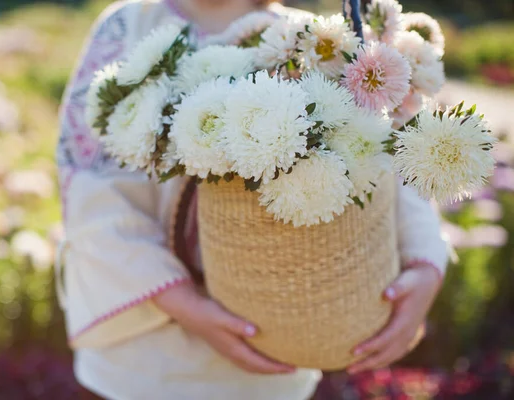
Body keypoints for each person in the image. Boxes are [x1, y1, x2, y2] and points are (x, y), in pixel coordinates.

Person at [56, 0, 449, 399]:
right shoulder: (126, 27)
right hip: (142, 368)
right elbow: (87, 184)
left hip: (276, 359)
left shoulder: (318, 38)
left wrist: (424, 266)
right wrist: (185, 304)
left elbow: (394, 157)